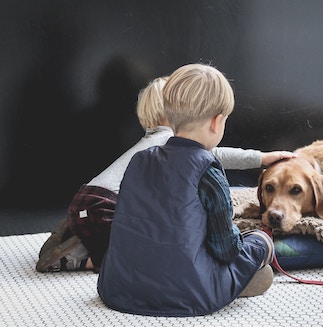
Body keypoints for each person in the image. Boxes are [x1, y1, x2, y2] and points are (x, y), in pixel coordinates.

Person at [36, 75, 295, 274]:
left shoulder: (152, 142)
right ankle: (76, 259)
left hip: (89, 200)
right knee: (129, 256)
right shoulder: (169, 142)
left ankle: (76, 234)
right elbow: (216, 154)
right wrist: (260, 158)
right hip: (104, 205)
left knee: (126, 237)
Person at [97, 63, 276, 317]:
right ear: (217, 123)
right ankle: (237, 278)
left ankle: (227, 281)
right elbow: (225, 249)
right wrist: (257, 241)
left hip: (119, 287)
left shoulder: (139, 160)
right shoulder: (208, 171)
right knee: (260, 242)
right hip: (188, 292)